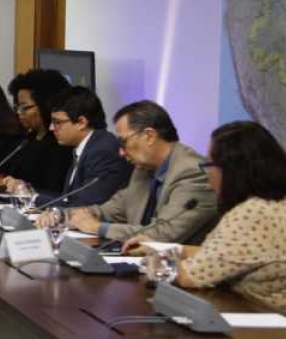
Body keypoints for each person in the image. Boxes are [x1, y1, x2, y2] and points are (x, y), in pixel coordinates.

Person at [125, 121, 286, 322]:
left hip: (257, 327)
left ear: (233, 169)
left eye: (209, 165)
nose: (207, 173)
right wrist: (158, 247)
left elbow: (188, 276)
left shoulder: (254, 213)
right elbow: (221, 256)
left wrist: (147, 263)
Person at [61, 101, 218, 244]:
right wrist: (62, 216)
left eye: (124, 142)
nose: (121, 153)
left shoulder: (193, 173)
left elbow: (163, 233)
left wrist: (97, 228)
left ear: (149, 136)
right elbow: (108, 211)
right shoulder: (144, 169)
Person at [33, 86, 130, 210]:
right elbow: (68, 199)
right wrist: (32, 193)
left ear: (81, 123)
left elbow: (84, 206)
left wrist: (33, 197)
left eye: (57, 122)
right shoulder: (88, 146)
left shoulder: (103, 151)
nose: (51, 128)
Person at [2, 68, 73, 196]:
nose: (19, 113)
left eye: (26, 107)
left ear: (47, 105)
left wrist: (23, 189)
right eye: (17, 107)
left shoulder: (62, 144)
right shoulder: (28, 139)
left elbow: (55, 191)